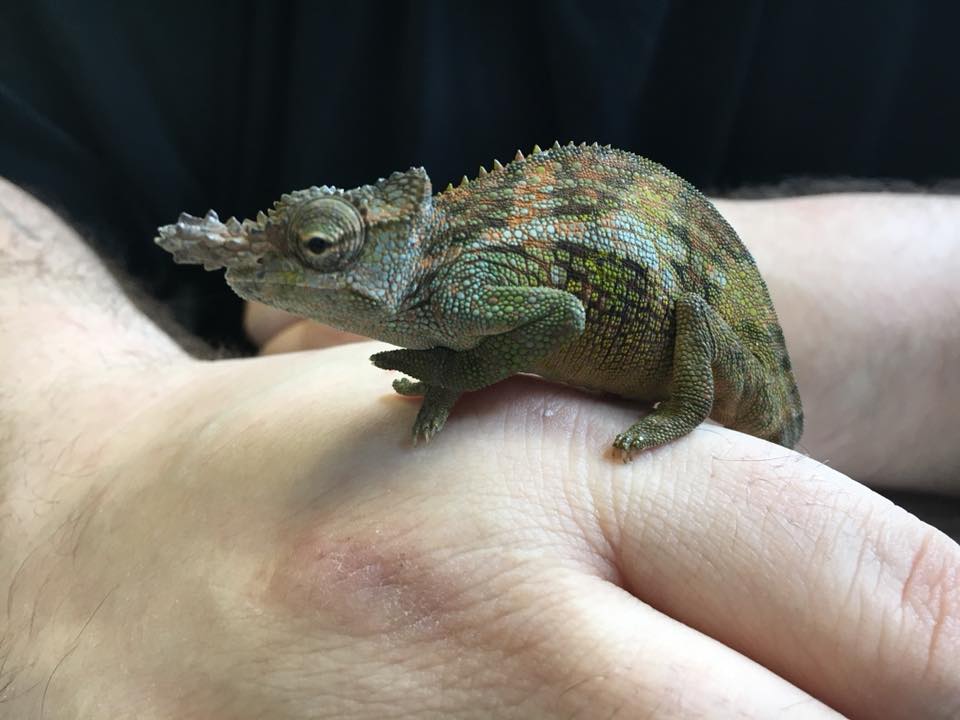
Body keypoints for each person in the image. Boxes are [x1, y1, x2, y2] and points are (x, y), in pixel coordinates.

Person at [1, 176, 958, 718]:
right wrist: (85, 425)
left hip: (719, 369)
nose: (303, 269)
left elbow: (561, 314)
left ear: (385, 246)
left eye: (322, 248)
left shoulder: (452, 285)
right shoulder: (438, 277)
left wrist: (464, 373)